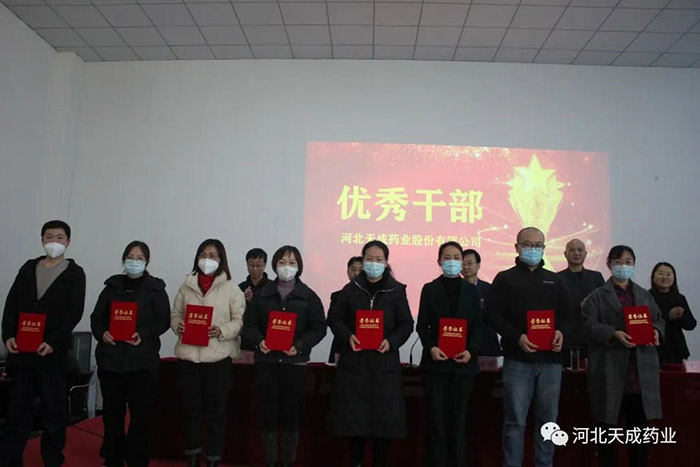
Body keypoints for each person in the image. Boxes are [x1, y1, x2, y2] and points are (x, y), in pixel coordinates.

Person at [1, 220, 86, 467]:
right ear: (41, 240)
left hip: (52, 355)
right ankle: (11, 460)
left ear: (68, 242)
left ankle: (52, 460)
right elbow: (11, 304)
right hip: (22, 354)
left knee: (53, 413)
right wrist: (8, 335)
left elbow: (74, 312)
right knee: (18, 411)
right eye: (49, 237)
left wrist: (52, 342)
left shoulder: (74, 273)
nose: (54, 242)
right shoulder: (29, 268)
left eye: (59, 238)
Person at [487, 227, 573, 467]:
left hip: (551, 363)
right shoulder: (505, 278)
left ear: (544, 248)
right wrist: (517, 337)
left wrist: (561, 332)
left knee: (548, 421)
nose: (532, 249)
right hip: (517, 360)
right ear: (517, 247)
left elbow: (569, 316)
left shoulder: (555, 280)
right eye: (527, 244)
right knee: (515, 421)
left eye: (538, 245)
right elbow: (492, 315)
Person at [327, 240, 414, 467]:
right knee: (354, 423)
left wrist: (391, 342)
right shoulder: (351, 289)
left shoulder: (396, 290)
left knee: (383, 424)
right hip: (355, 367)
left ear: (386, 263)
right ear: (363, 260)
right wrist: (348, 336)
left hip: (384, 367)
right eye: (369, 259)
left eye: (379, 259)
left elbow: (406, 324)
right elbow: (334, 319)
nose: (373, 263)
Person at [242, 245, 327, 467]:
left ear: (299, 267)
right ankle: (270, 462)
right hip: (266, 362)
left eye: (291, 263)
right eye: (282, 262)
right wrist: (259, 340)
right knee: (267, 414)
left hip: (294, 364)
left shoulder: (309, 296)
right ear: (274, 265)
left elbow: (319, 328)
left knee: (291, 415)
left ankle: (288, 462)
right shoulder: (262, 295)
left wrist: (300, 346)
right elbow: (249, 324)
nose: (286, 267)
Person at [581, 245, 665, 467]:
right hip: (610, 373)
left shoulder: (644, 294)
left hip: (639, 376)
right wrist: (612, 333)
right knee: (607, 437)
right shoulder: (597, 296)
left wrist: (656, 331)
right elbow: (587, 325)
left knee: (639, 437)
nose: (623, 266)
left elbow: (659, 319)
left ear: (634, 265)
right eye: (618, 262)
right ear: (609, 264)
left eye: (628, 262)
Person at [90, 240, 171, 467]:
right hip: (111, 361)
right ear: (124, 260)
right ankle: (113, 458)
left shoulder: (156, 289)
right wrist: (102, 333)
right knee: (112, 416)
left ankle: (137, 459)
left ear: (147, 262)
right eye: (131, 257)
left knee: (140, 417)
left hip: (141, 363)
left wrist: (142, 334)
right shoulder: (111, 287)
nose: (135, 262)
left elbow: (163, 320)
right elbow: (96, 317)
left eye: (140, 258)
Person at [170, 239, 245, 467]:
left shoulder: (231, 288)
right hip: (188, 358)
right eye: (203, 255)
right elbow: (175, 314)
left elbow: (239, 321)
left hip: (217, 359)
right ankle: (193, 457)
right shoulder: (187, 285)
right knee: (190, 410)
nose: (207, 259)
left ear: (221, 260)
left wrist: (221, 330)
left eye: (212, 256)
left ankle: (213, 458)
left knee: (216, 413)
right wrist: (178, 325)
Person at [417, 242, 485, 467]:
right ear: (439, 261)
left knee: (458, 421)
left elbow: (478, 326)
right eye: (447, 257)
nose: (452, 261)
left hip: (463, 365)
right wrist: (431, 347)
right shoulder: (429, 289)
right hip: (436, 364)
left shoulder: (471, 290)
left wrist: (471, 351)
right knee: (436, 422)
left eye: (456, 257)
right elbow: (422, 325)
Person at [557, 238, 605, 364]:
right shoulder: (557, 278)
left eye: (580, 250)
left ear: (585, 254)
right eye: (572, 250)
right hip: (566, 338)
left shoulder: (596, 277)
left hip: (593, 338)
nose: (576, 253)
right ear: (565, 254)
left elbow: (605, 304)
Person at [649, 262, 696, 363]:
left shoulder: (679, 298)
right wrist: (669, 316)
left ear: (674, 278)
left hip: (678, 350)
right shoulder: (646, 297)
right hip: (655, 350)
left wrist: (680, 316)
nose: (665, 277)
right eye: (661, 274)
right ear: (653, 277)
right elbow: (645, 323)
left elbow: (691, 325)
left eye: (669, 274)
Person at [462, 248, 499, 356]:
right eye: (462, 264)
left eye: (469, 263)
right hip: (462, 345)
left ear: (478, 265)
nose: (465, 267)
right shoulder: (454, 289)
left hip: (486, 345)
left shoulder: (489, 289)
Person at [328, 256, 363, 364]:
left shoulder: (374, 297)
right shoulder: (337, 296)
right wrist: (347, 335)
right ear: (347, 271)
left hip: (366, 348)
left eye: (360, 270)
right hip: (342, 346)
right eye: (353, 269)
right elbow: (331, 320)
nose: (356, 273)